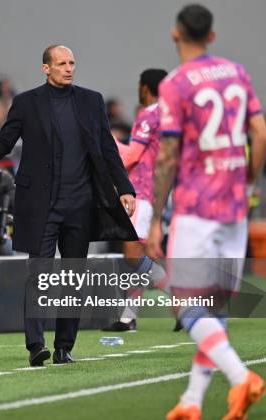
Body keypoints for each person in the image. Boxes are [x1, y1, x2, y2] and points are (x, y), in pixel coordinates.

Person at [146, 4, 266, 420]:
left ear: (175, 34)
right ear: (212, 36)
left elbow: (166, 159)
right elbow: (261, 134)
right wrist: (248, 184)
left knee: (185, 306)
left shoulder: (177, 84)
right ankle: (193, 398)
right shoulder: (236, 72)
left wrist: (154, 220)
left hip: (197, 207)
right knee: (213, 307)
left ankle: (240, 377)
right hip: (234, 206)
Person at [0, 44, 137, 367]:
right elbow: (5, 142)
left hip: (81, 203)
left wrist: (125, 189)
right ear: (45, 68)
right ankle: (36, 345)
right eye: (61, 63)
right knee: (39, 272)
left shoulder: (92, 101)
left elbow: (108, 149)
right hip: (42, 203)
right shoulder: (26, 103)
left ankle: (64, 347)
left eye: (72, 62)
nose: (69, 68)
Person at [103, 69, 169, 332]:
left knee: (132, 255)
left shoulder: (150, 114)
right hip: (160, 190)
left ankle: (185, 304)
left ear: (146, 88)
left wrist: (108, 140)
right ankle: (128, 317)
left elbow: (130, 157)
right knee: (140, 254)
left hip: (141, 190)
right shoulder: (171, 114)